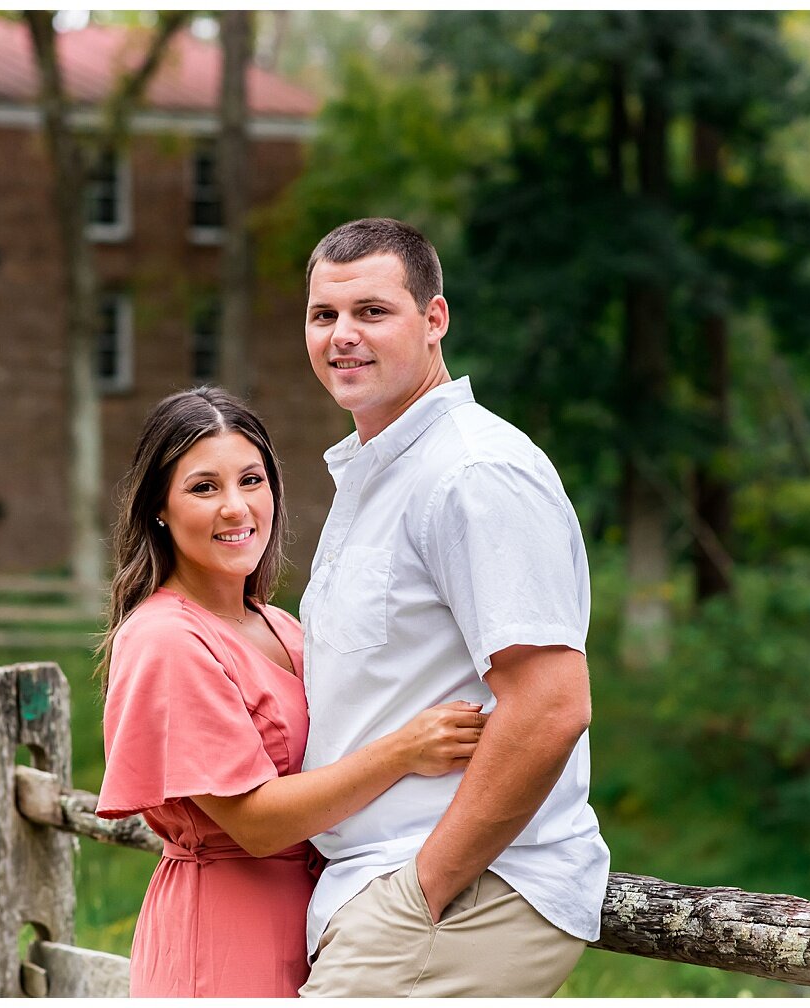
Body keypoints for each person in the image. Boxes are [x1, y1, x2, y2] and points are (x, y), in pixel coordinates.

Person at [296, 218, 610, 998]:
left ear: (434, 320)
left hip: (465, 896)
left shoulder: (474, 474)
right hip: (384, 893)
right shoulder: (382, 473)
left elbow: (550, 706)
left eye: (372, 312)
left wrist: (422, 891)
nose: (343, 336)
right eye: (323, 315)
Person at [95, 386, 489, 998]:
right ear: (159, 510)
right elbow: (254, 824)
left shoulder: (282, 626)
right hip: (225, 935)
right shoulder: (165, 638)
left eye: (251, 480)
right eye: (204, 487)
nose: (236, 507)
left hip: (316, 916)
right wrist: (403, 750)